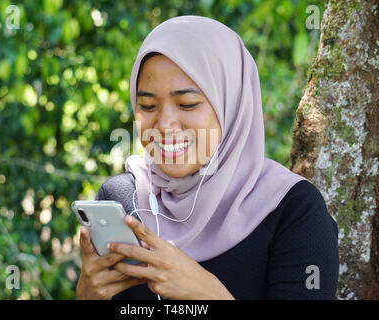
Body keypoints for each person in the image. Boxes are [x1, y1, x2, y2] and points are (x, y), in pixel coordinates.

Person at [76, 15, 339, 300]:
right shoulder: (123, 199)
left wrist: (208, 294)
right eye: (148, 105)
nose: (164, 125)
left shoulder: (292, 210)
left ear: (231, 104)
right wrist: (88, 295)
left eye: (187, 104)